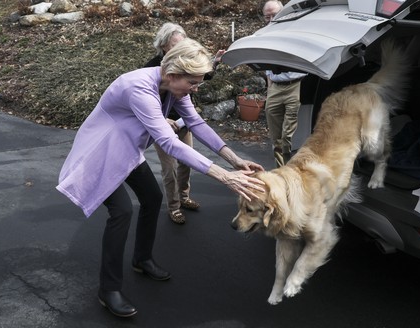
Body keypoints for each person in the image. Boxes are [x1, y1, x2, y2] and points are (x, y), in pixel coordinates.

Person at [56, 38, 265, 318]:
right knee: (121, 212)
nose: (195, 89)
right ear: (172, 74)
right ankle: (108, 289)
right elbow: (168, 142)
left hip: (127, 150)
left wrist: (235, 159)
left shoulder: (174, 88)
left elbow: (196, 123)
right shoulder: (138, 87)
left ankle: (141, 259)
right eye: (192, 83)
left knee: (153, 198)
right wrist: (224, 176)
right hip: (102, 152)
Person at [145, 22, 226, 224]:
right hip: (161, 126)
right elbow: (143, 106)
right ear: (163, 45)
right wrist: (162, 119)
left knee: (186, 163)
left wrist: (214, 62)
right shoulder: (150, 68)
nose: (181, 50)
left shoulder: (186, 65)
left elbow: (202, 75)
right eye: (175, 45)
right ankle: (174, 207)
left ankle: (184, 197)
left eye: (183, 44)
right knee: (169, 168)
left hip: (183, 123)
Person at [263, 0, 307, 167]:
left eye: (275, 15)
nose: (272, 19)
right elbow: (265, 65)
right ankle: (281, 171)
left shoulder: (296, 31)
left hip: (295, 84)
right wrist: (269, 87)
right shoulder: (264, 34)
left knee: (288, 135)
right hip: (275, 86)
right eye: (268, 16)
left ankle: (292, 167)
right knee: (276, 137)